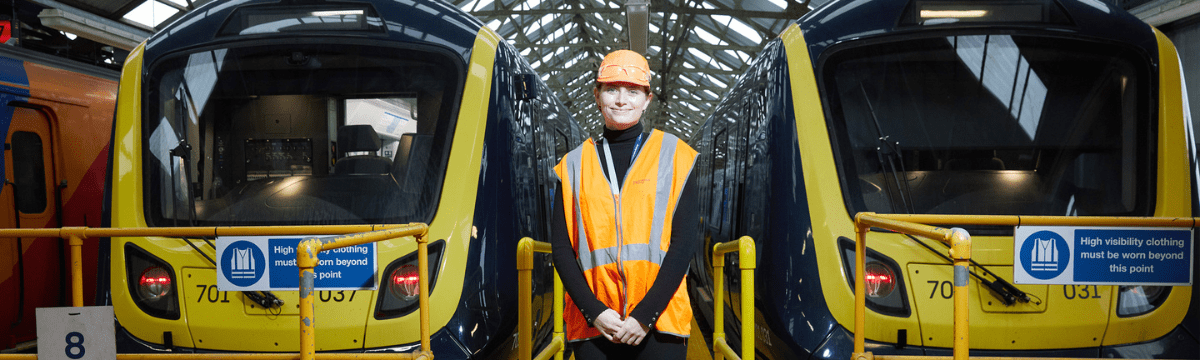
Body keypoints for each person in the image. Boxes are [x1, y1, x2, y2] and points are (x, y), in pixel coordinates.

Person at [550, 49, 701, 360]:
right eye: (611, 90)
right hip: (596, 326)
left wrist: (644, 316)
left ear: (647, 100)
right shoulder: (572, 166)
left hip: (659, 324)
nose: (621, 100)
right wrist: (594, 312)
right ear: (597, 95)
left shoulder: (676, 156)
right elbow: (562, 249)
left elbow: (683, 244)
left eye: (633, 91)